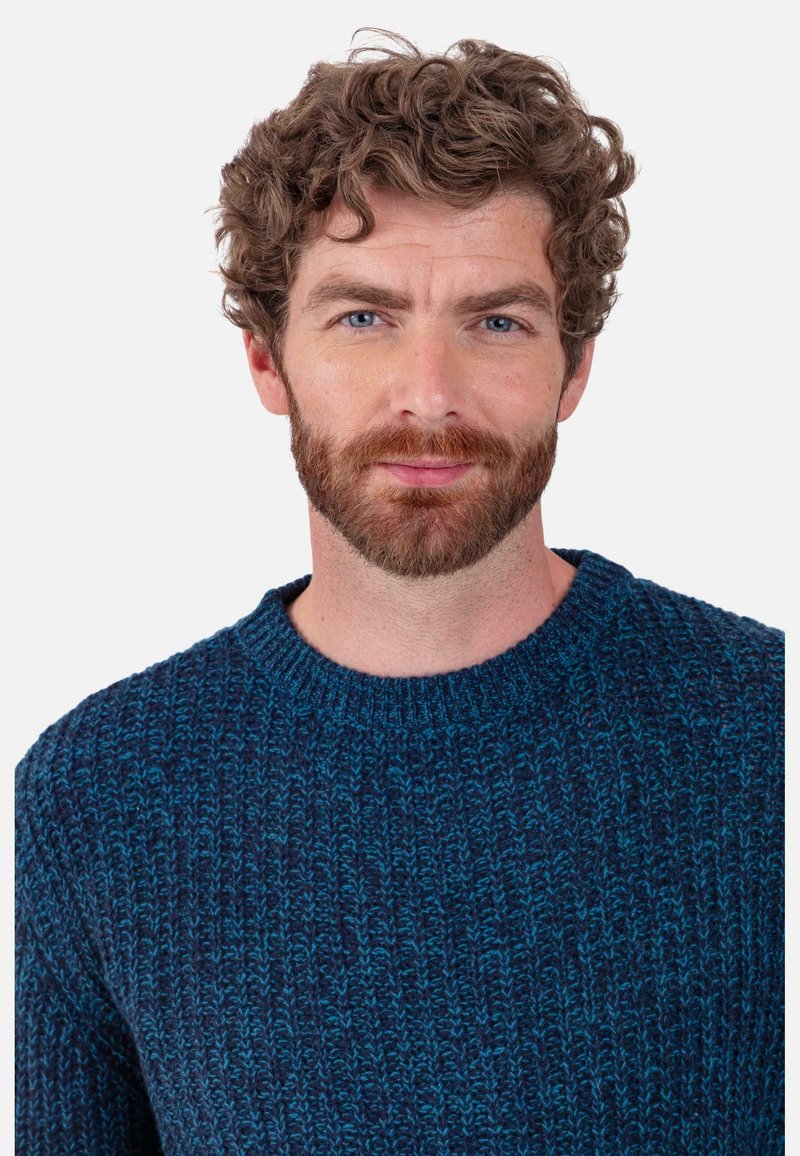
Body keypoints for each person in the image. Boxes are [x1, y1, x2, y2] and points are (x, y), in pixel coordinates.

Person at [15, 32, 783, 1154]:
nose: (427, 395)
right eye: (364, 318)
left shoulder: (766, 734)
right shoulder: (97, 799)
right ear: (267, 362)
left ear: (574, 367)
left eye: (496, 321)